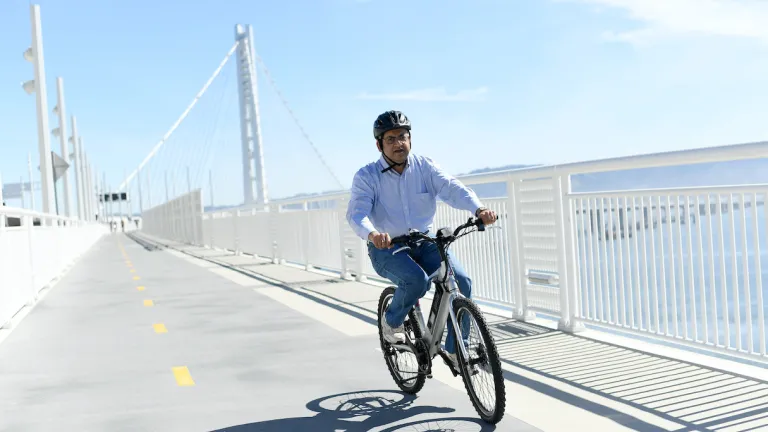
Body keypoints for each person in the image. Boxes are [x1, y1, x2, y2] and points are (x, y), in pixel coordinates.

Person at [346, 110, 498, 367]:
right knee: (416, 281)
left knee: (462, 281)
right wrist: (372, 234)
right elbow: (357, 213)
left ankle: (453, 350)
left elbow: (451, 188)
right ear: (379, 144)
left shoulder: (424, 166)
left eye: (403, 137)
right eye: (391, 139)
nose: (398, 144)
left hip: (424, 240)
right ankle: (391, 322)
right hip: (387, 247)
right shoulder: (367, 176)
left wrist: (478, 209)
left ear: (410, 139)